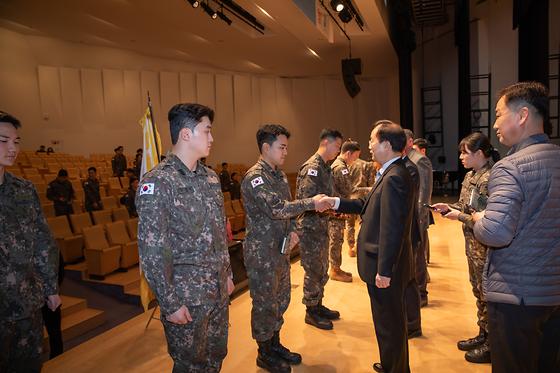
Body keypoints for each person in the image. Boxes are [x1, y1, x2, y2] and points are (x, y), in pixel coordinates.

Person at [136, 103, 234, 372]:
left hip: (216, 292)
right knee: (190, 364)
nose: (212, 138)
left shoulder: (211, 179)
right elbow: (153, 251)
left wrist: (226, 275)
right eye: (207, 131)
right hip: (186, 300)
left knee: (216, 356)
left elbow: (219, 234)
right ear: (186, 134)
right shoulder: (158, 183)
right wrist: (169, 303)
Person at [470, 82, 560, 373]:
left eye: (498, 114)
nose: (495, 124)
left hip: (517, 296)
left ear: (522, 115)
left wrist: (477, 220)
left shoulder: (510, 166)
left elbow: (496, 233)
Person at [324, 121, 414, 373]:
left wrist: (384, 270)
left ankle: (395, 368)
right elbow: (367, 202)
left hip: (385, 268)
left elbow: (391, 228)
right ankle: (391, 364)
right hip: (385, 265)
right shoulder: (391, 171)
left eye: (373, 141)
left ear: (386, 144)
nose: (369, 146)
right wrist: (336, 201)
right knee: (388, 322)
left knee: (390, 324)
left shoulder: (395, 176)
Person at [241, 124, 331, 373]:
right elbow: (277, 208)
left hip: (280, 250)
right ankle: (264, 352)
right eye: (281, 147)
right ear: (266, 147)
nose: (285, 152)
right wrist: (312, 202)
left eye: (286, 148)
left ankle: (275, 343)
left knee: (281, 300)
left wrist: (293, 231)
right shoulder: (255, 177)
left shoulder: (278, 175)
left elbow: (287, 211)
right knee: (264, 304)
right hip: (262, 254)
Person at [0, 111, 62, 372]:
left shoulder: (24, 190)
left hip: (27, 305)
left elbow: (43, 242)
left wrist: (50, 287)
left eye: (16, 141)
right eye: (4, 140)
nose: (12, 148)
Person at [432, 132, 499, 364]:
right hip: (473, 246)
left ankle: (492, 344)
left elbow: (488, 217)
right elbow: (466, 206)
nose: (460, 157)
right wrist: (448, 206)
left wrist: (459, 216)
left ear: (479, 154)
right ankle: (483, 333)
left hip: (485, 246)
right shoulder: (472, 175)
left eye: (465, 152)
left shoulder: (492, 178)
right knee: (478, 291)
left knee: (487, 293)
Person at [295, 128, 343, 330]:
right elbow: (306, 202)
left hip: (321, 225)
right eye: (337, 147)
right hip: (310, 228)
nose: (338, 152)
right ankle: (311, 311)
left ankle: (318, 304)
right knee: (313, 270)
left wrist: (333, 209)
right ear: (325, 142)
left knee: (321, 269)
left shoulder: (325, 167)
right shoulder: (312, 168)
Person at [328, 140, 361, 282]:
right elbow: (350, 190)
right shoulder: (341, 167)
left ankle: (336, 267)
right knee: (335, 240)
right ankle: (334, 270)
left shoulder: (339, 165)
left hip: (338, 208)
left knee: (338, 240)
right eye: (355, 156)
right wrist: (371, 189)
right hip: (336, 210)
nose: (356, 160)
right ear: (348, 153)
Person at [401, 128, 423, 340]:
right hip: (404, 232)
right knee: (406, 280)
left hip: (407, 232)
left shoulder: (409, 168)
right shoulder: (401, 167)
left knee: (409, 280)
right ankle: (410, 323)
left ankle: (413, 325)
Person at [407, 132, 432, 306]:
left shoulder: (419, 160)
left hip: (417, 217)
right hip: (407, 216)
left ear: (409, 141)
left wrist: (420, 220)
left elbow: (424, 194)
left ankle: (421, 293)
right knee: (411, 256)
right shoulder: (405, 158)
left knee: (417, 256)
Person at [346, 157, 375, 257]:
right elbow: (371, 183)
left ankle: (350, 247)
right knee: (362, 223)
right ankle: (358, 246)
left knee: (349, 225)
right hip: (362, 199)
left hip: (349, 198)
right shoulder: (367, 164)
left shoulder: (347, 165)